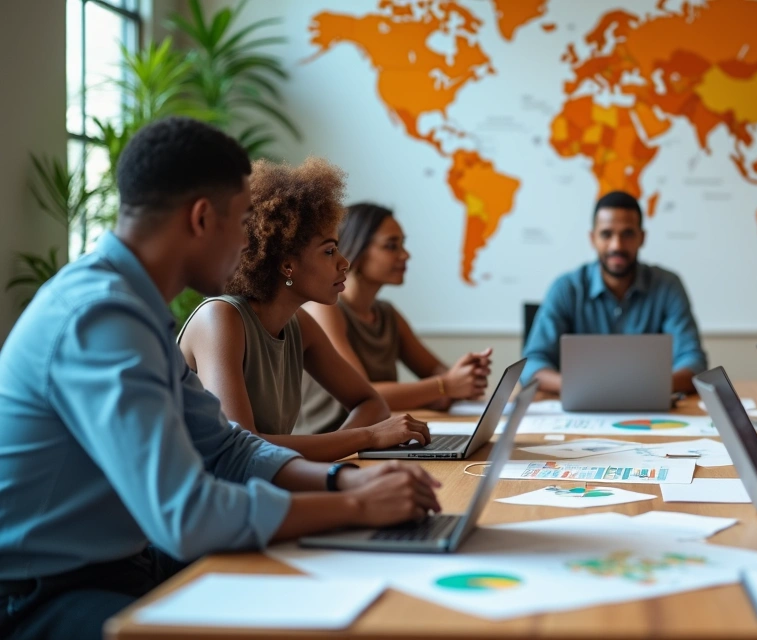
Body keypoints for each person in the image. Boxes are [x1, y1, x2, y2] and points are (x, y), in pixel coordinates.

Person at [0, 117, 441, 640]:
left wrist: (345, 478)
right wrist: (356, 505)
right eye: (241, 221)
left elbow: (230, 449)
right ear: (203, 218)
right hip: (43, 594)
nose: (248, 242)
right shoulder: (100, 318)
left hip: (123, 566)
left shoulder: (135, 310)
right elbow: (186, 516)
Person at [177, 158, 432, 462]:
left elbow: (370, 402)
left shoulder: (299, 324)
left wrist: (340, 449)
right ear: (287, 264)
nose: (344, 263)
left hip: (259, 489)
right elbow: (243, 448)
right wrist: (368, 436)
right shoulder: (219, 319)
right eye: (328, 251)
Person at [297, 202, 493, 434]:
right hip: (330, 447)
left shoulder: (386, 313)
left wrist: (466, 375)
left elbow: (434, 370)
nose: (405, 255)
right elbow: (366, 395)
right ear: (354, 251)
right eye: (391, 246)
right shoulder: (325, 311)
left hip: (374, 439)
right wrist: (446, 386)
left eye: (403, 244)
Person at [522, 190, 708, 394]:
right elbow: (532, 364)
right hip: (580, 405)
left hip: (649, 407)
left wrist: (643, 389)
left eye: (627, 234)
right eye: (606, 234)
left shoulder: (668, 286)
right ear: (592, 238)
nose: (617, 245)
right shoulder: (566, 289)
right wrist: (579, 388)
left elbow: (694, 361)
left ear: (642, 237)